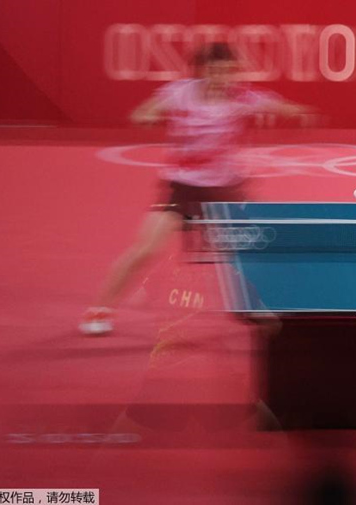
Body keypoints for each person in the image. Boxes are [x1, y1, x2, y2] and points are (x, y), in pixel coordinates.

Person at [80, 42, 308, 335]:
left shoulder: (242, 96)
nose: (221, 77)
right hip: (183, 189)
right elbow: (143, 111)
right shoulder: (180, 92)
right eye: (214, 70)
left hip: (225, 191)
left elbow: (279, 105)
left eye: (227, 71)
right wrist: (146, 117)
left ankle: (256, 305)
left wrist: (300, 112)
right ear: (202, 70)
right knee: (146, 249)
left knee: (250, 249)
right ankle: (100, 307)